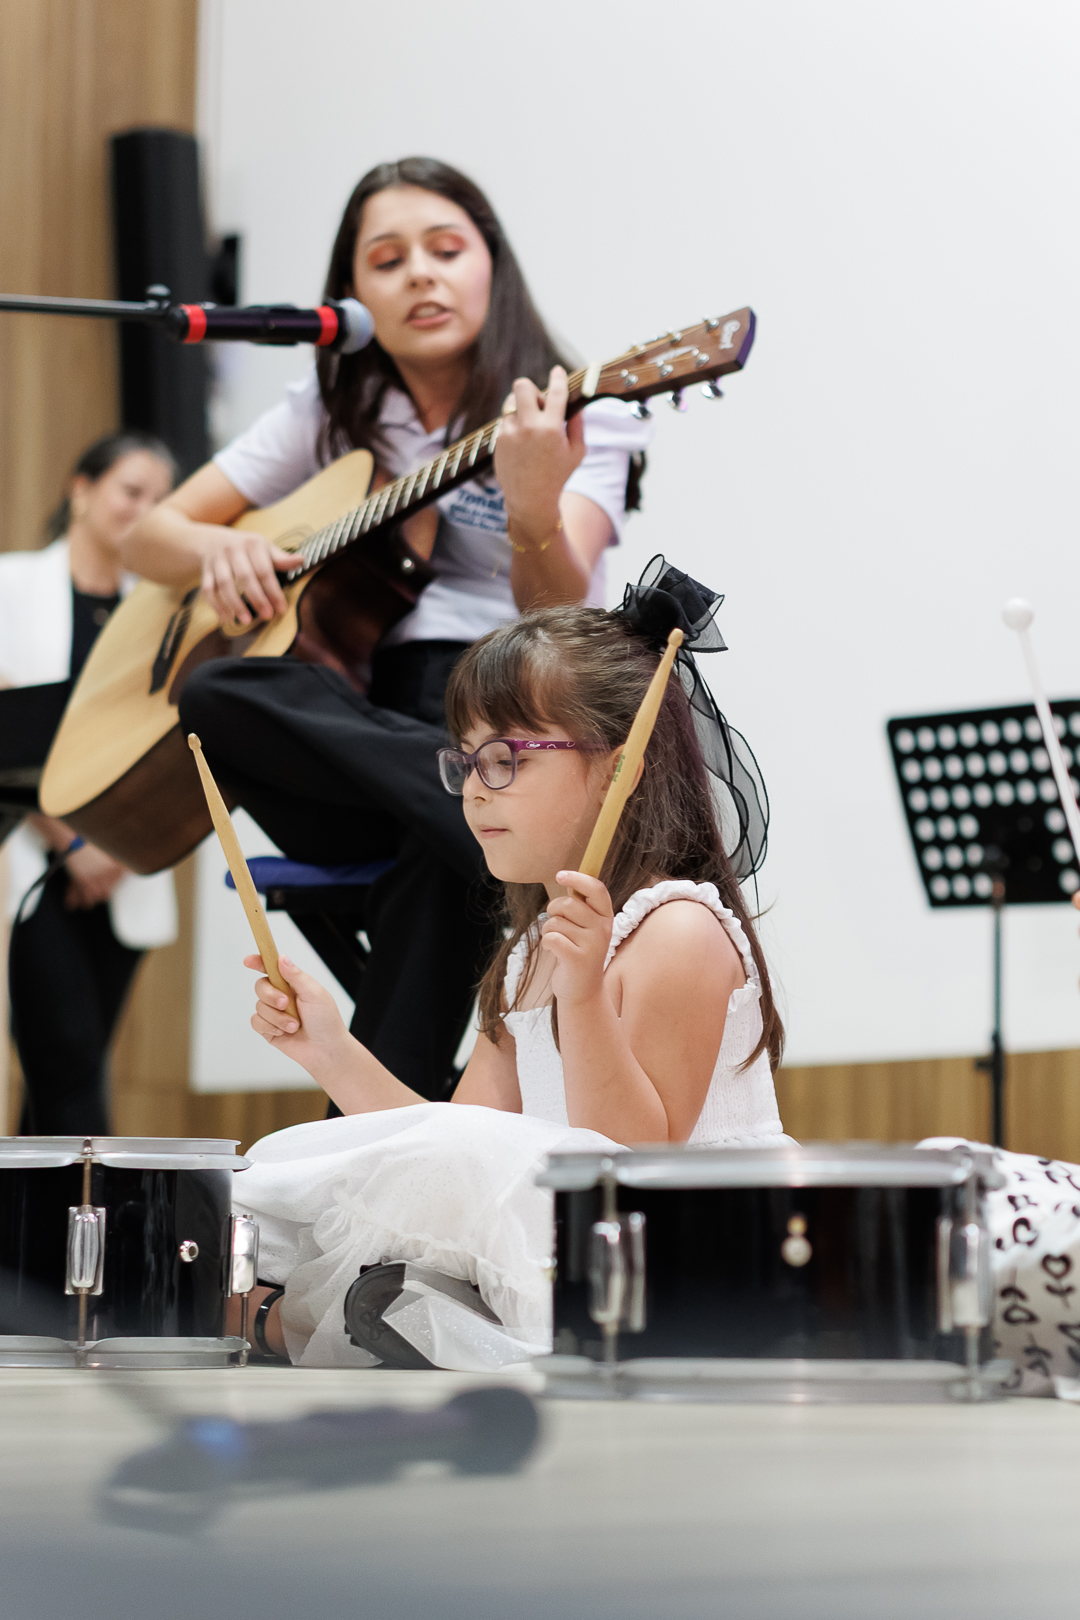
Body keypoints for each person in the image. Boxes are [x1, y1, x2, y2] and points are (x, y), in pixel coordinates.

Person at [122, 156, 652, 1102]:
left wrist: (533, 509)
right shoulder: (335, 408)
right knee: (213, 692)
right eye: (387, 259)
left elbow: (560, 613)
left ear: (492, 263)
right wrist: (217, 548)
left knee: (443, 861)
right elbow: (147, 536)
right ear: (352, 293)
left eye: (445, 249)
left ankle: (366, 1143)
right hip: (362, 734)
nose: (420, 276)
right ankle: (483, 811)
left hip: (509, 709)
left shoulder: (574, 411)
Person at [225, 566, 791, 1368]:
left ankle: (275, 1316)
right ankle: (299, 1309)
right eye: (464, 763)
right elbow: (452, 1144)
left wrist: (584, 997)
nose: (474, 792)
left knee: (388, 1246)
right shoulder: (529, 954)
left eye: (505, 758)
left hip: (682, 1255)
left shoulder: (679, 931)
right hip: (574, 1249)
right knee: (382, 1175)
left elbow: (631, 1158)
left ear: (618, 769)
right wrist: (330, 1049)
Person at [0, 432, 178, 1134]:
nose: (145, 510)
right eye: (131, 491)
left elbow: (163, 741)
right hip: (32, 850)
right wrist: (73, 843)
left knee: (73, 1063)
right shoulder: (11, 585)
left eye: (162, 500)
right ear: (82, 491)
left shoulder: (160, 610)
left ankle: (33, 1206)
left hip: (124, 864)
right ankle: (84, 1203)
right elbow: (9, 730)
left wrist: (112, 848)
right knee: (65, 1055)